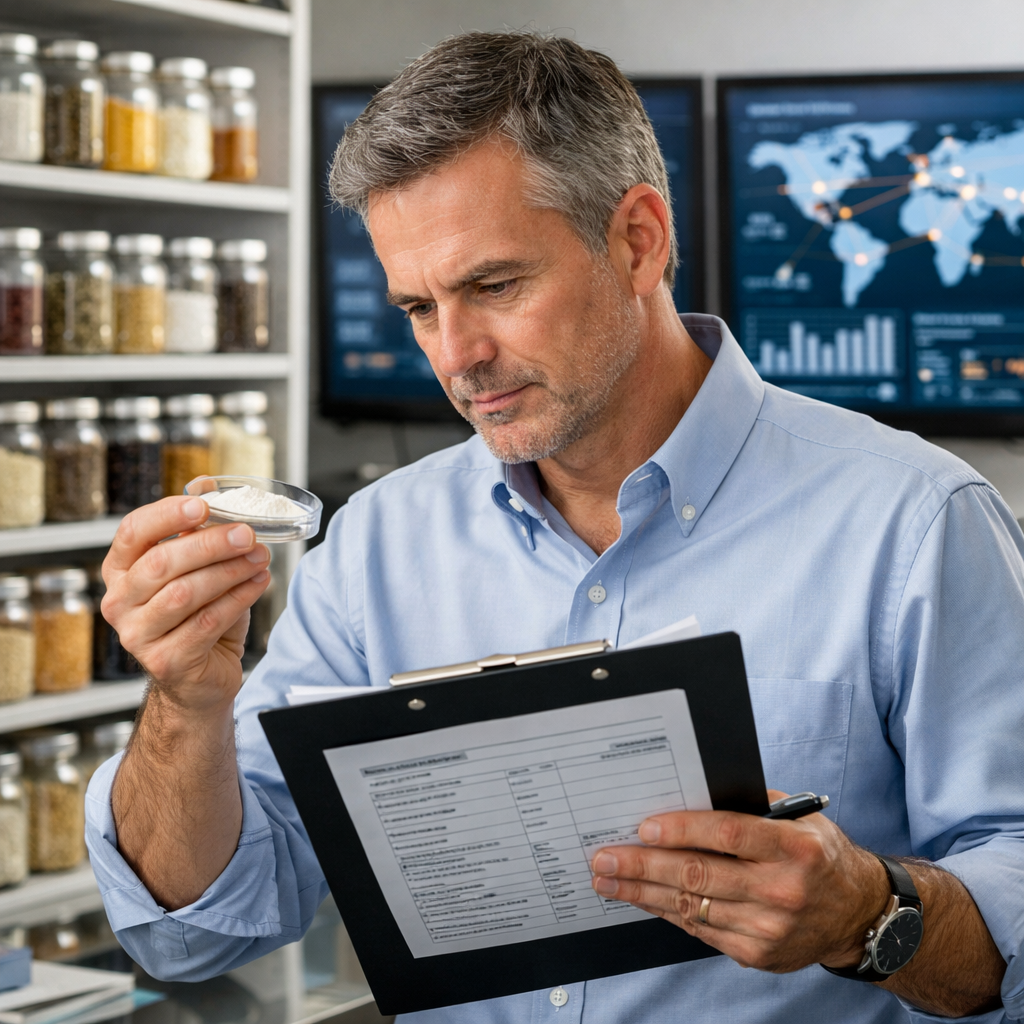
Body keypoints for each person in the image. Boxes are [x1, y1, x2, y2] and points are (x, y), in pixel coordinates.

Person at [86, 33, 1023, 1024]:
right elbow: (195, 930)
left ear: (638, 240)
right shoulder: (374, 548)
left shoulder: (916, 522)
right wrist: (186, 705)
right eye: (418, 306)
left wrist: (866, 914)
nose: (457, 356)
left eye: (493, 286)